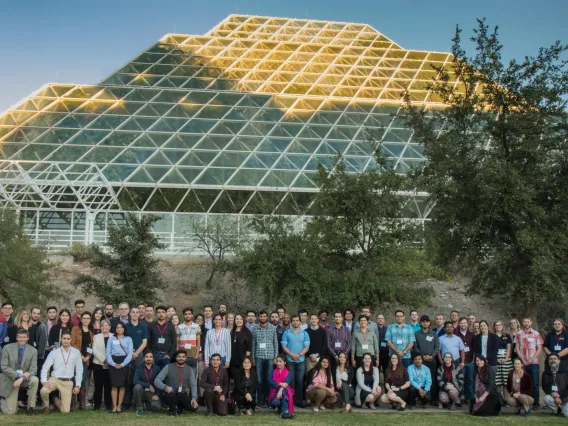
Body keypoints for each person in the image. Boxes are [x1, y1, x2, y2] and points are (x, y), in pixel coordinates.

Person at [40, 331, 83, 414]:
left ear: (71, 340)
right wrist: (44, 381)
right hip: (55, 379)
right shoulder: (54, 352)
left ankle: (56, 400)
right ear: (61, 339)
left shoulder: (76, 352)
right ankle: (46, 407)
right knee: (44, 390)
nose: (66, 341)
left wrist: (78, 385)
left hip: (68, 381)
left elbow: (79, 370)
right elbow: (45, 367)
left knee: (65, 411)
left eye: (68, 339)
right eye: (64, 339)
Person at [0, 329, 38, 415]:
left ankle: (31, 407)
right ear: (17, 338)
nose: (22, 339)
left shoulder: (33, 351)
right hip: (10, 379)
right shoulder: (7, 348)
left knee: (35, 380)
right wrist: (18, 375)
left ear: (28, 338)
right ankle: (1, 400)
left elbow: (33, 370)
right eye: (20, 337)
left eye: (24, 337)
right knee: (11, 412)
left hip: (24, 379)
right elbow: (4, 367)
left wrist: (22, 378)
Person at [155, 349, 199, 417]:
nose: (181, 358)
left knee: (194, 408)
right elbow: (156, 380)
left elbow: (193, 384)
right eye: (179, 356)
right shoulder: (168, 367)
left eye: (183, 356)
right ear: (176, 358)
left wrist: (193, 398)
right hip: (170, 393)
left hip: (182, 393)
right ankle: (172, 408)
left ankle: (179, 407)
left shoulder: (189, 369)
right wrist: (165, 387)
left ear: (186, 358)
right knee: (171, 396)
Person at [252, 310, 279, 407]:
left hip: (270, 357)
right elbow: (253, 344)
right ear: (258, 317)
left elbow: (275, 343)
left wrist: (275, 357)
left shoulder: (272, 328)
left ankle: (269, 400)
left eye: (264, 316)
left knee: (269, 379)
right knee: (259, 379)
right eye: (261, 316)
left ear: (267, 317)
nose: (262, 318)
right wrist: (253, 357)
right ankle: (260, 400)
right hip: (258, 357)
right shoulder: (255, 328)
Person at [515, 317, 543, 410]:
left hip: (534, 362)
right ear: (522, 323)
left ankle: (536, 402)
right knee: (524, 383)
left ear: (531, 322)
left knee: (534, 383)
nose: (526, 323)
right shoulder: (518, 334)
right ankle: (525, 402)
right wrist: (522, 359)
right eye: (525, 322)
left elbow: (539, 348)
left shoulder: (536, 334)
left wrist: (532, 359)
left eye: (528, 322)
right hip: (523, 363)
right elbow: (517, 348)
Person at [106, 322, 133, 413]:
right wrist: (113, 364)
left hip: (124, 362)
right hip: (113, 362)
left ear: (124, 329)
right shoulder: (111, 338)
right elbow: (108, 353)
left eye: (121, 327)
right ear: (115, 329)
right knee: (114, 386)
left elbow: (130, 354)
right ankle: (114, 406)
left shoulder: (128, 339)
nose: (119, 329)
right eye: (117, 327)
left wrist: (122, 364)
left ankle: (119, 406)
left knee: (122, 386)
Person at [413, 315, 440, 405]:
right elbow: (415, 347)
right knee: (420, 378)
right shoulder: (416, 334)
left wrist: (432, 356)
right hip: (421, 361)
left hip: (432, 360)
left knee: (432, 379)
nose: (425, 323)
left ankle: (433, 399)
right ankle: (421, 398)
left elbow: (437, 347)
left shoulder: (434, 334)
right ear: (420, 323)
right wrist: (422, 356)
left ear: (429, 323)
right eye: (423, 321)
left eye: (427, 321)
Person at [70, 311, 93, 410]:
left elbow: (90, 346)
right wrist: (80, 355)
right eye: (84, 318)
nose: (86, 320)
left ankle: (82, 404)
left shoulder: (90, 332)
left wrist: (88, 356)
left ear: (90, 320)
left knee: (82, 380)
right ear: (81, 319)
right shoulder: (75, 329)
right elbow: (73, 343)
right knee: (75, 380)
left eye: (88, 318)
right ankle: (73, 403)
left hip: (85, 360)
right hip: (76, 358)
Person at [132, 352, 161, 416]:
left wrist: (157, 395)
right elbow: (135, 380)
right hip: (141, 391)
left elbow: (160, 382)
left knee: (156, 407)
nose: (148, 358)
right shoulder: (139, 367)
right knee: (137, 386)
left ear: (153, 359)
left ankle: (146, 404)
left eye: (150, 357)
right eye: (146, 357)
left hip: (151, 393)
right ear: (143, 359)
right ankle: (139, 408)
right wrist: (148, 385)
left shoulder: (157, 368)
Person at [92, 319, 112, 411]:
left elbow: (115, 350)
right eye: (102, 326)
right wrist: (104, 360)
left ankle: (108, 405)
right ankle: (97, 405)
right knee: (98, 386)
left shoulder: (114, 337)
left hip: (111, 365)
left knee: (108, 386)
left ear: (110, 327)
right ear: (100, 327)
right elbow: (94, 350)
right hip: (98, 364)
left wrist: (109, 360)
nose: (104, 327)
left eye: (106, 325)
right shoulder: (96, 337)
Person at [268, 354, 294, 419]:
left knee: (284, 391)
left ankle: (285, 411)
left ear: (284, 363)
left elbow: (286, 384)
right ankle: (282, 409)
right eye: (277, 361)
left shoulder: (288, 373)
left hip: (285, 391)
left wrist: (280, 389)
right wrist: (280, 383)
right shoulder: (273, 372)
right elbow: (271, 382)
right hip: (274, 392)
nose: (278, 363)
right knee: (276, 402)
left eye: (280, 361)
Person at [176, 307, 201, 374]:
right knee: (182, 377)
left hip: (193, 356)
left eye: (189, 314)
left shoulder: (197, 326)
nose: (187, 316)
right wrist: (178, 355)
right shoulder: (179, 327)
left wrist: (197, 354)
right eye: (186, 314)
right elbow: (177, 342)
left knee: (193, 377)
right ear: (183, 315)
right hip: (182, 357)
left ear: (192, 315)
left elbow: (198, 342)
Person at [456, 316, 475, 404]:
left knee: (470, 380)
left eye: (465, 323)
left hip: (470, 361)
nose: (463, 324)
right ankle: (462, 396)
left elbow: (474, 348)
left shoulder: (471, 335)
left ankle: (470, 397)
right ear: (459, 324)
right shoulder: (455, 334)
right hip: (460, 362)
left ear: (467, 324)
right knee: (461, 380)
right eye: (461, 323)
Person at [230, 313, 252, 381]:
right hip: (233, 359)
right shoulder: (232, 331)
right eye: (237, 319)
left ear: (243, 320)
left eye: (240, 319)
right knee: (234, 377)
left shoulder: (247, 331)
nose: (239, 321)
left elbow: (249, 346)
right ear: (234, 320)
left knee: (242, 377)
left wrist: (247, 359)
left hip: (242, 359)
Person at [493, 320, 513, 396]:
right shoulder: (492, 336)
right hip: (496, 358)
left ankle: (506, 399)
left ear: (502, 326)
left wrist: (506, 358)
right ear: (494, 327)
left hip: (506, 359)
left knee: (506, 380)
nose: (498, 327)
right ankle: (499, 399)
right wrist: (496, 359)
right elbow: (491, 349)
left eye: (499, 325)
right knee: (497, 380)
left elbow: (509, 348)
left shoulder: (507, 336)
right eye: (496, 325)